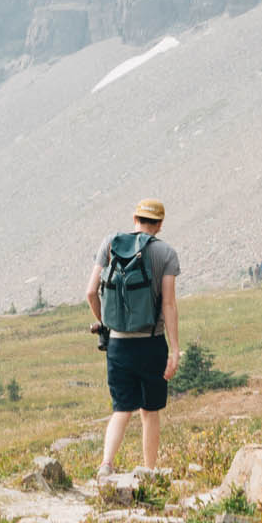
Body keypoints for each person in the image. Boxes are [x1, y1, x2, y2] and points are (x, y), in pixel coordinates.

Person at [86, 198, 180, 478]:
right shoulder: (166, 253)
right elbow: (169, 304)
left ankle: (106, 464)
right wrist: (174, 350)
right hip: (151, 341)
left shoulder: (109, 243)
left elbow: (91, 292)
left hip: (117, 342)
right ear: (160, 224)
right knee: (150, 410)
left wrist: (105, 323)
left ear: (135, 218)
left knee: (121, 408)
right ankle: (149, 471)